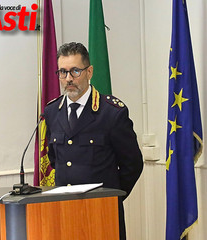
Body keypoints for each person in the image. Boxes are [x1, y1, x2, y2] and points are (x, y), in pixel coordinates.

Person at [44, 42, 143, 240]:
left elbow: (132, 164)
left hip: (101, 212)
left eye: (75, 71)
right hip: (63, 211)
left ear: (89, 72)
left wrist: (111, 197)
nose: (68, 78)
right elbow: (56, 159)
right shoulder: (52, 111)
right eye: (62, 72)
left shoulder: (111, 112)